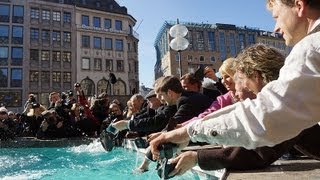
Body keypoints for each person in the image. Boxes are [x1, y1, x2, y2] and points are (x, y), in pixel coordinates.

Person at [150, 0, 320, 154]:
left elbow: (266, 117)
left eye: (277, 16)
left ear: (299, 5)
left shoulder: (311, 49)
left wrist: (189, 132)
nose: (275, 27)